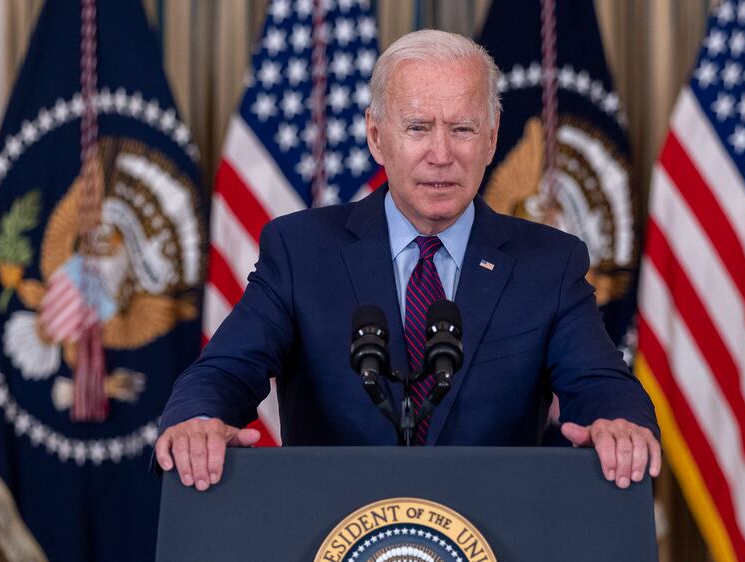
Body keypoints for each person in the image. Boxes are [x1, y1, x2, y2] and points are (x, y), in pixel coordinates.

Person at [155, 29, 660, 493]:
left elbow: (601, 385)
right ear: (377, 137)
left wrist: (618, 423)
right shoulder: (300, 251)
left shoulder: (548, 263)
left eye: (462, 129)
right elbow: (223, 372)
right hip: (334, 530)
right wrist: (199, 419)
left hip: (490, 533)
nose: (441, 154)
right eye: (418, 128)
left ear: (491, 138)